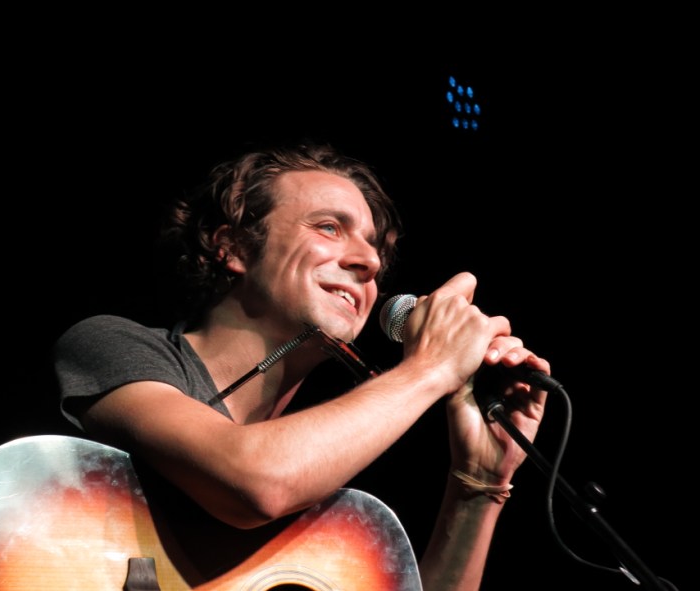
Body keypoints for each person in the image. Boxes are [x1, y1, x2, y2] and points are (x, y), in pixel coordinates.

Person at [52, 140, 550, 590]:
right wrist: (430, 369)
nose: (371, 262)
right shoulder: (111, 344)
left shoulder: (334, 459)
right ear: (232, 246)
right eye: (330, 227)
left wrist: (479, 483)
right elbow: (258, 482)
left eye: (376, 247)